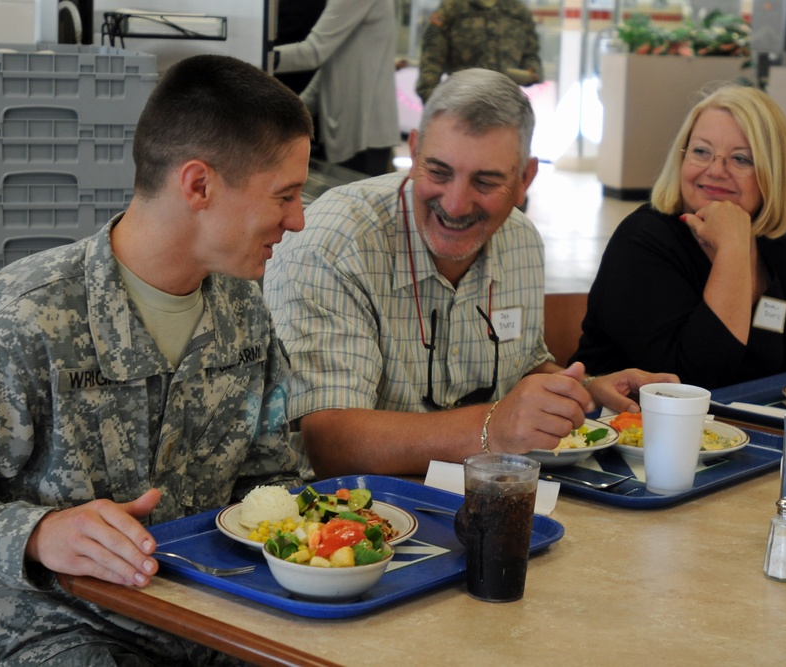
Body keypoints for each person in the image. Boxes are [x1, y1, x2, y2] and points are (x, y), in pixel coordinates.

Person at [0, 54, 313, 666]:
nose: (299, 220)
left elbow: (271, 481)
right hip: (48, 630)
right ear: (197, 185)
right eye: (285, 195)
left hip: (207, 622)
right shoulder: (15, 324)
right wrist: (39, 535)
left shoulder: (243, 315)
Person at [263, 68, 674, 479]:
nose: (456, 204)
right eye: (438, 172)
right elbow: (332, 443)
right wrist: (492, 428)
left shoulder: (520, 240)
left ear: (524, 179)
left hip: (487, 497)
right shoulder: (336, 241)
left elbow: (520, 368)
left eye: (485, 181)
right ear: (415, 150)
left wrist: (580, 392)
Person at [570, 84, 786, 389]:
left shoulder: (779, 255)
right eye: (701, 151)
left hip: (742, 430)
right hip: (628, 427)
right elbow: (690, 382)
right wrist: (732, 248)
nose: (716, 170)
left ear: (773, 172)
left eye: (740, 159)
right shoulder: (642, 242)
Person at [272, 0, 400, 177]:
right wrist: (295, 112)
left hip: (363, 135)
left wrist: (259, 57)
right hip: (355, 131)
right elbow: (330, 67)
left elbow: (313, 52)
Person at [415, 0, 543, 103]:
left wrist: (531, 72)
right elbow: (431, 60)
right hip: (463, 105)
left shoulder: (518, 11)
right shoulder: (452, 8)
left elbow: (531, 54)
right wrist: (434, 105)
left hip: (506, 107)